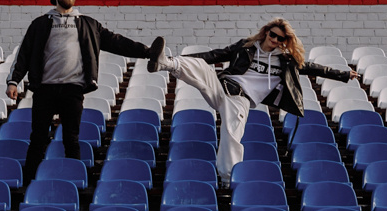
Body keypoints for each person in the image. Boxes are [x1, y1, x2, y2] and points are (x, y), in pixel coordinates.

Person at [147, 18, 357, 185]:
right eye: (273, 35)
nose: (274, 40)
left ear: (285, 42)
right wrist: (189, 57)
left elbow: (314, 68)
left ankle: (228, 181)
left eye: (280, 39)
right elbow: (215, 55)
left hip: (241, 99)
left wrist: (344, 75)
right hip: (223, 86)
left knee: (231, 135)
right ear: (266, 32)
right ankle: (166, 62)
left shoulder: (286, 61)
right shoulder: (245, 47)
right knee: (201, 67)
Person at [7, 0, 165, 183]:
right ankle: (28, 184)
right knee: (38, 138)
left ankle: (73, 182)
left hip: (73, 90)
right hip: (45, 89)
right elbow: (24, 54)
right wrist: (13, 81)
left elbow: (116, 42)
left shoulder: (88, 24)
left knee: (71, 139)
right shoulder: (40, 24)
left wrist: (147, 52)